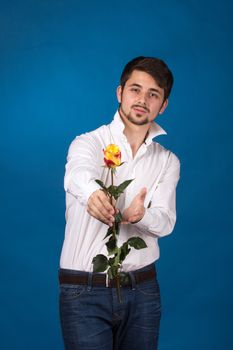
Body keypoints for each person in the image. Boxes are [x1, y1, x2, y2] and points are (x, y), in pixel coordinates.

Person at [59, 56, 180, 350]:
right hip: (83, 290)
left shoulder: (167, 161)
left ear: (163, 105)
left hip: (143, 291)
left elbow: (165, 221)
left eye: (154, 94)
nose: (142, 100)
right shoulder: (87, 143)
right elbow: (77, 174)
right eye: (135, 90)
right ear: (120, 93)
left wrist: (142, 216)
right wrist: (92, 195)